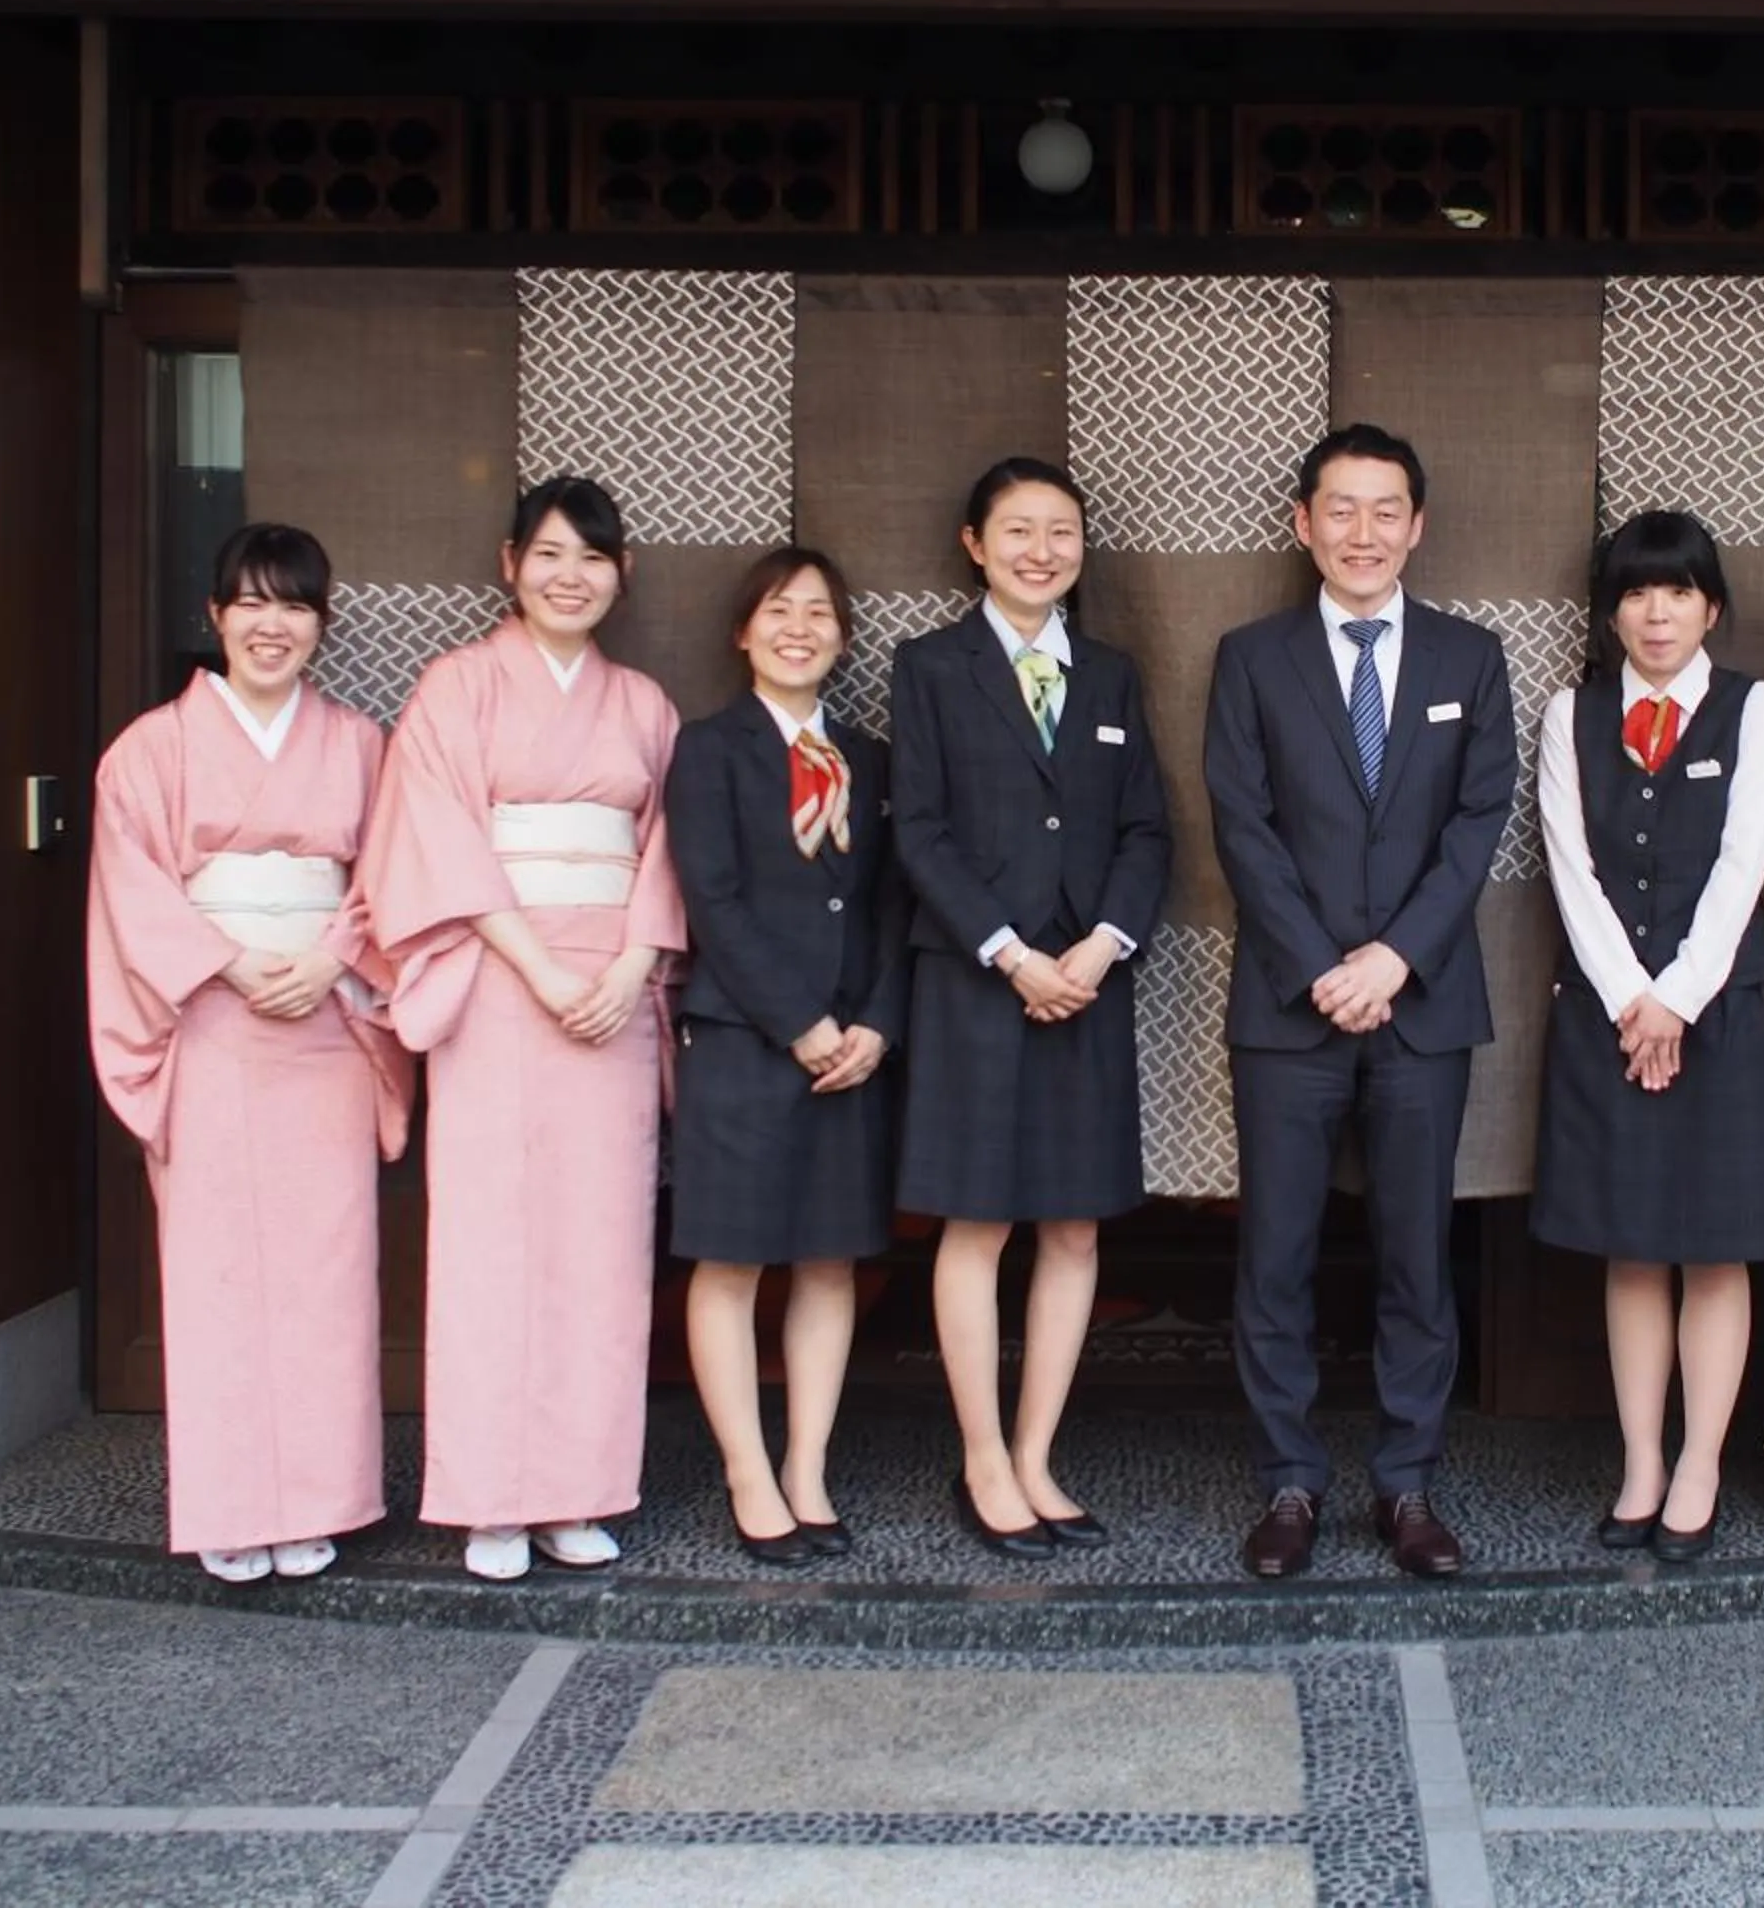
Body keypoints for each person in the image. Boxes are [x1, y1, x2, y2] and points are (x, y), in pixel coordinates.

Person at [358, 476, 686, 1584]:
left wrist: (633, 964)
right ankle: (491, 1498)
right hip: (499, 983)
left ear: (621, 575)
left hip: (615, 992)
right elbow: (434, 838)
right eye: (548, 554)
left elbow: (668, 852)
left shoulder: (644, 705)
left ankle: (580, 1491)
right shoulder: (455, 688)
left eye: (591, 558)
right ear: (510, 565)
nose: (569, 576)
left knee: (604, 1246)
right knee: (488, 1245)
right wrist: (539, 965)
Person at [1205, 423, 1518, 1581]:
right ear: (1303, 523)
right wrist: (1323, 968)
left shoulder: (1470, 657)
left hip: (1422, 1004)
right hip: (1288, 1007)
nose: (1364, 531)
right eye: (1341, 508)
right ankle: (1288, 1480)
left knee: (1415, 1256)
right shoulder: (1252, 657)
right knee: (1276, 1255)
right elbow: (1241, 823)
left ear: (1417, 525)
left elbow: (1479, 820)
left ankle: (1408, 1482)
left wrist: (1394, 959)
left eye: (1387, 510)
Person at [86, 523, 412, 1585]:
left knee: (326, 1269)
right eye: (253, 604)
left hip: (324, 1022)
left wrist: (331, 957)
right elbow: (132, 891)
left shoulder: (359, 745)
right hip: (211, 1026)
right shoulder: (149, 750)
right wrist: (225, 962)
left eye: (296, 606)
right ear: (216, 616)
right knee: (217, 1270)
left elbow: (389, 876)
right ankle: (232, 1502)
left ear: (322, 624)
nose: (274, 627)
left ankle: (319, 1499)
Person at [890, 459, 1171, 1558]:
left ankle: (1039, 1455)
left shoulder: (1109, 674)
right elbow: (918, 830)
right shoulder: (931, 667)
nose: (1041, 551)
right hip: (977, 982)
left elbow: (1146, 830)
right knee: (977, 1221)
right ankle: (982, 1459)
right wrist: (1012, 953)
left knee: (1074, 1225)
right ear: (975, 544)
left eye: (1061, 531)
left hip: (1088, 985)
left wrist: (1100, 947)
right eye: (1018, 530)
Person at [1532, 509, 1764, 1562]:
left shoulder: (1753, 708)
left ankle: (1700, 1465)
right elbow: (1570, 866)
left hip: (1716, 1011)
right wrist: (1630, 998)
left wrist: (1676, 999)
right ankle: (1641, 1460)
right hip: (1608, 1011)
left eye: (1678, 592)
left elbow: (1746, 861)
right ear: (1611, 612)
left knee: (1716, 1247)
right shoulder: (1572, 712)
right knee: (1632, 1243)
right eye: (1636, 593)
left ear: (1710, 608)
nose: (1656, 613)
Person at [664, 547, 909, 1567]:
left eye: (817, 613)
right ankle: (747, 1473)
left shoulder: (873, 758)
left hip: (852, 1049)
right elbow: (712, 900)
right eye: (777, 611)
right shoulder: (707, 749)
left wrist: (877, 1025)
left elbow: (895, 902)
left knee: (829, 1258)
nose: (798, 629)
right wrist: (799, 1023)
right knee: (730, 1260)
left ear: (843, 638)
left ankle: (807, 1467)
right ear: (743, 632)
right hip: (745, 1038)